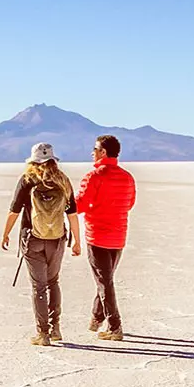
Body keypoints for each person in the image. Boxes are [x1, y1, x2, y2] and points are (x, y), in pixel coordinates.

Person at [0, 142, 81, 345]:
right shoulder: (63, 180)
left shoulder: (27, 179)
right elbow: (72, 214)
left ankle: (42, 334)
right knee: (53, 282)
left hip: (32, 239)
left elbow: (14, 211)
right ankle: (55, 329)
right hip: (57, 239)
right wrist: (77, 241)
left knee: (39, 287)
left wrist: (5, 234)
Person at [77, 133, 136, 339]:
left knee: (105, 282)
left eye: (95, 149)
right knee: (106, 280)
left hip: (98, 236)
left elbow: (80, 204)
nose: (92, 152)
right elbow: (129, 204)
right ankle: (96, 317)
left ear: (103, 152)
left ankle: (114, 326)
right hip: (118, 236)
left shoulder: (94, 176)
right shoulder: (127, 177)